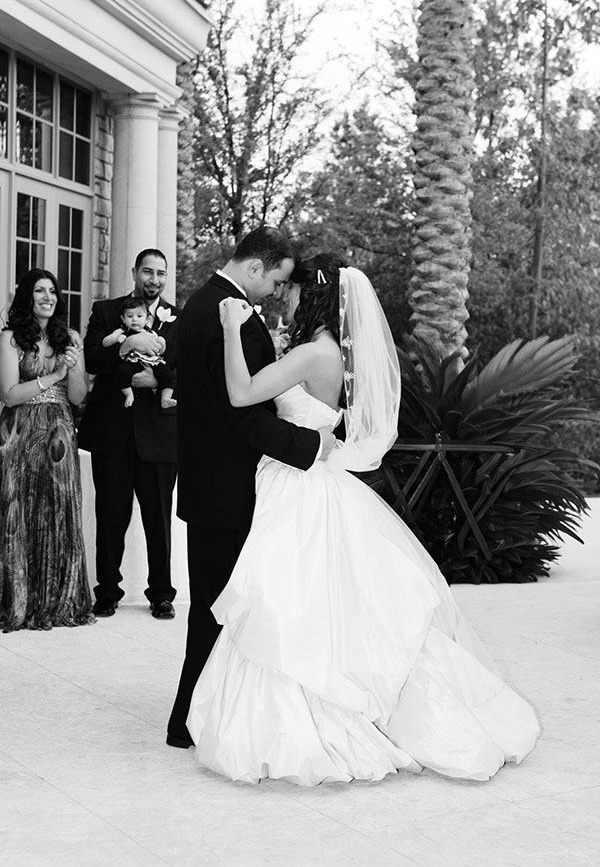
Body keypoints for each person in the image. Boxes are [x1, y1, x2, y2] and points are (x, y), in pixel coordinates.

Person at [185, 253, 541, 785]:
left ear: (317, 296)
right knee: (325, 604)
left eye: (295, 290)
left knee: (291, 604)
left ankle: (307, 719)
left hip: (297, 487)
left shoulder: (311, 353)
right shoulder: (336, 356)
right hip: (319, 480)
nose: (287, 297)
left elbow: (240, 394)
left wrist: (233, 330)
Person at [166, 226, 336, 749]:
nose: (277, 293)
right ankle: (188, 721)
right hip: (226, 487)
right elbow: (238, 414)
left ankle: (201, 715)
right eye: (277, 280)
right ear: (257, 267)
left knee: (224, 605)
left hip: (221, 482)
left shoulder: (209, 303)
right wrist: (311, 448)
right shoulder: (224, 313)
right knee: (219, 606)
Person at [78, 249, 179, 620]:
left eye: (161, 273)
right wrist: (126, 345)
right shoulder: (106, 312)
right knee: (110, 516)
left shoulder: (177, 319)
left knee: (159, 520)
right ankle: (106, 592)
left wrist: (157, 380)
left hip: (159, 435)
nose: (154, 279)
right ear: (135, 271)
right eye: (148, 271)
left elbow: (190, 369)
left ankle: (162, 594)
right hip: (114, 434)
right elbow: (92, 359)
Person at [0, 269, 94, 632]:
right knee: (17, 512)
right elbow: (8, 394)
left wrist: (71, 371)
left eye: (52, 291)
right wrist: (52, 375)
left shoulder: (69, 337)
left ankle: (57, 601)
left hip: (58, 433)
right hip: (19, 432)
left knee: (57, 510)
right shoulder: (10, 339)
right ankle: (17, 599)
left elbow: (78, 397)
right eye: (39, 290)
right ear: (26, 296)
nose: (47, 297)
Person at [103, 296, 176, 409]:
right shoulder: (122, 330)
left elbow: (160, 351)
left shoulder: (151, 332)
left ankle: (165, 398)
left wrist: (162, 344)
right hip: (132, 361)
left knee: (168, 374)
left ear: (147, 319)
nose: (134, 320)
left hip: (150, 362)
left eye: (139, 316)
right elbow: (105, 342)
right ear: (123, 319)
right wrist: (116, 339)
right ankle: (129, 394)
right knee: (122, 371)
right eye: (130, 316)